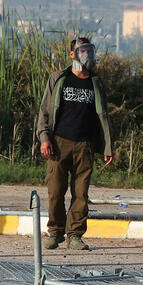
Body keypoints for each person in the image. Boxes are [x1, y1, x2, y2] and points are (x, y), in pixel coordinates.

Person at [35, 37, 115, 251]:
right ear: (72, 54)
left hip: (85, 145)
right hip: (59, 143)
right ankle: (55, 232)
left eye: (89, 50)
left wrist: (108, 147)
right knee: (55, 191)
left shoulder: (96, 82)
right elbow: (44, 111)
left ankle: (75, 235)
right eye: (82, 51)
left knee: (81, 193)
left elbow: (103, 116)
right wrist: (44, 138)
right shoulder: (59, 78)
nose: (87, 55)